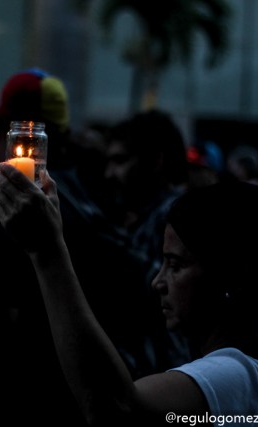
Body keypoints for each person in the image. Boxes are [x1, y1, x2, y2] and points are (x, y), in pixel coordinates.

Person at [0, 167, 258, 426]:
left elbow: (114, 407)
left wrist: (48, 252)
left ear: (228, 277)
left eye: (176, 265)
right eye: (162, 263)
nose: (158, 282)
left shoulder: (237, 374)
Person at [0, 68, 151, 426]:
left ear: (7, 131)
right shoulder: (103, 197)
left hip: (16, 395)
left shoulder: (1, 199)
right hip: (93, 389)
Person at [102, 109, 192, 372]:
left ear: (156, 161)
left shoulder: (174, 219)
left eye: (120, 161)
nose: (109, 174)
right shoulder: (145, 218)